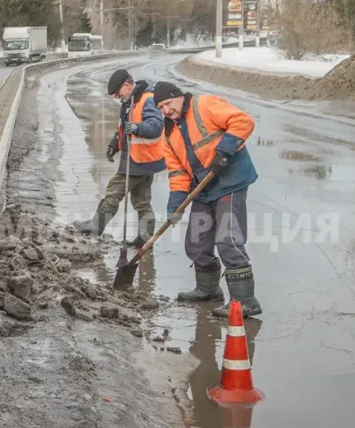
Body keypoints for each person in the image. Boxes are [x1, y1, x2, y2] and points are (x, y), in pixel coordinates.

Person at [152, 80, 261, 318]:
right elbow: (178, 173)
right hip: (204, 188)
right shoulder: (168, 135)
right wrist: (175, 205)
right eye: (160, 108)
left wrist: (224, 151)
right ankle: (208, 289)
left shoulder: (205, 105)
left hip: (230, 181)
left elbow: (243, 121)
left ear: (179, 96)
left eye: (168, 104)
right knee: (196, 241)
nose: (166, 111)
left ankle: (245, 301)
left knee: (228, 239)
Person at [72, 69, 164, 246]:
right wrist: (115, 144)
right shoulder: (130, 101)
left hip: (138, 160)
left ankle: (95, 227)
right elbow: (123, 128)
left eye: (117, 93)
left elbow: (156, 125)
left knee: (114, 191)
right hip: (145, 160)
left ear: (128, 86)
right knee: (142, 201)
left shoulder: (147, 99)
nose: (116, 97)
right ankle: (145, 240)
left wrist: (138, 128)